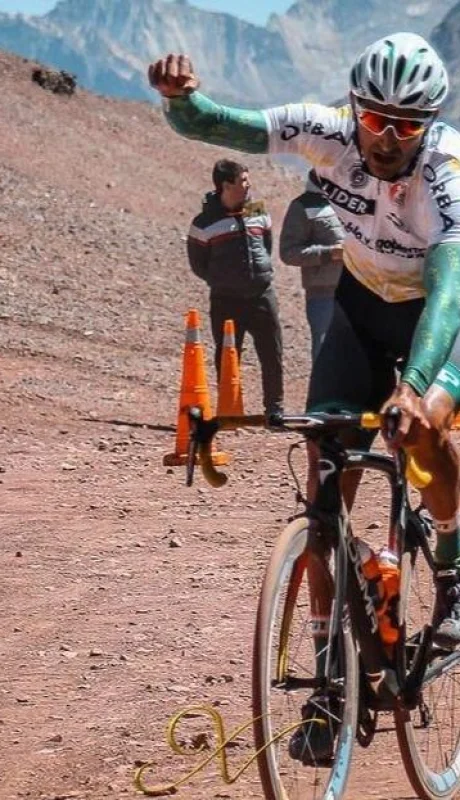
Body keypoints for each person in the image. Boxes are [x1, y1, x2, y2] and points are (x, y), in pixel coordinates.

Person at [148, 32, 460, 761]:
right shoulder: (330, 135)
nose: (386, 138)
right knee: (325, 488)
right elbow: (221, 125)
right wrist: (181, 102)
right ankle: (328, 686)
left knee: (423, 432)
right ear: (354, 108)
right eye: (375, 118)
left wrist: (414, 390)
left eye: (406, 124)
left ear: (430, 125)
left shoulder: (446, 174)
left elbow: (448, 294)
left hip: (439, 313)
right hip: (360, 305)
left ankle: (451, 560)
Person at [187, 159, 284, 416]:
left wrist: (258, 275)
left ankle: (274, 409)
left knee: (272, 352)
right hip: (226, 299)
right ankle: (230, 409)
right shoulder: (204, 223)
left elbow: (266, 245)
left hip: (262, 295)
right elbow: (198, 265)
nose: (248, 184)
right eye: (242, 180)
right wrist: (222, 280)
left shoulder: (257, 210)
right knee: (228, 355)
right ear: (226, 186)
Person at [279, 168, 344, 362]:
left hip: (355, 292)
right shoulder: (302, 206)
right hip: (323, 295)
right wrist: (329, 253)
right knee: (324, 354)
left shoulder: (347, 202)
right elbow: (289, 253)